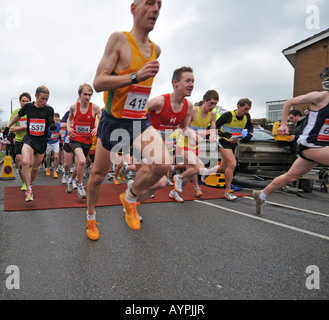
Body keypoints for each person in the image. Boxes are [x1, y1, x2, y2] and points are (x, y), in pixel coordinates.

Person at [86, 0, 168, 240]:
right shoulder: (119, 40)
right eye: (150, 3)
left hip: (138, 121)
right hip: (113, 121)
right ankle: (91, 217)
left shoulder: (156, 50)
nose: (155, 9)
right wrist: (135, 76)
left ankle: (130, 197)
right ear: (133, 8)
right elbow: (98, 82)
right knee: (99, 175)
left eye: (159, 6)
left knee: (163, 165)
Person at [252, 87, 329, 213]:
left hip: (322, 148)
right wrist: (284, 124)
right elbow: (289, 102)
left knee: (290, 177)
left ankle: (261, 194)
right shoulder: (321, 97)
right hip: (310, 145)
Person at [148, 67, 206, 203]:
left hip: (167, 143)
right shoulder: (159, 102)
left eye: (193, 81)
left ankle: (176, 183)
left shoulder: (189, 106)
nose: (192, 84)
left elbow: (184, 128)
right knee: (154, 179)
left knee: (198, 168)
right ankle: (132, 197)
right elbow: (137, 115)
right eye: (187, 81)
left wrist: (193, 135)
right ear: (176, 83)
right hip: (150, 143)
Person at [7, 86, 56, 202]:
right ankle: (28, 189)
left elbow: (51, 123)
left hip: (42, 141)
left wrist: (52, 126)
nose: (44, 102)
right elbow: (18, 116)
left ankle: (30, 183)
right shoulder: (28, 107)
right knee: (25, 162)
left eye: (46, 99)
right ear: (36, 96)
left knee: (35, 168)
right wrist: (8, 127)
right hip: (29, 139)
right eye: (42, 99)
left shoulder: (49, 110)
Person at [169, 89, 218, 200]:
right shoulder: (193, 111)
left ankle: (174, 192)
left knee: (191, 172)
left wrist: (212, 136)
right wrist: (200, 133)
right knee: (199, 168)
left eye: (215, 104)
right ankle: (178, 176)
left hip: (195, 146)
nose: (213, 106)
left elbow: (212, 129)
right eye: (211, 103)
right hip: (184, 144)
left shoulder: (213, 114)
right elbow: (182, 128)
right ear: (204, 101)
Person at [203, 98, 254, 200]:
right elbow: (212, 128)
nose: (247, 112)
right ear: (238, 106)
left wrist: (249, 134)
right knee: (232, 164)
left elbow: (250, 126)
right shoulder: (228, 115)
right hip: (223, 141)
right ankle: (228, 191)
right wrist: (222, 133)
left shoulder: (246, 116)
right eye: (245, 109)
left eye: (248, 109)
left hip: (233, 143)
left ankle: (206, 172)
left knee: (222, 167)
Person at [66, 84, 101, 199]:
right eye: (85, 94)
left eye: (90, 95)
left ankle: (70, 180)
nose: (87, 97)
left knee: (79, 165)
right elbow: (69, 119)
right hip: (75, 138)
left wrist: (97, 128)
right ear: (80, 94)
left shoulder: (95, 108)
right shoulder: (73, 107)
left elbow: (101, 120)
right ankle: (80, 186)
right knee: (81, 161)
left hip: (87, 140)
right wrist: (69, 128)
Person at [8, 92, 31, 190]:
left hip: (31, 141)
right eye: (23, 101)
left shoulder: (33, 112)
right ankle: (24, 182)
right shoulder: (16, 113)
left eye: (27, 101)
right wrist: (22, 128)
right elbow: (11, 128)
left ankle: (29, 179)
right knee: (20, 163)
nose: (25, 103)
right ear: (19, 102)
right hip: (19, 140)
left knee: (29, 164)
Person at [45, 113, 61, 179]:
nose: (56, 121)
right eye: (55, 120)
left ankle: (55, 171)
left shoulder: (59, 124)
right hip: (48, 142)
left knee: (56, 157)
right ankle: (48, 168)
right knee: (48, 157)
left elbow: (63, 127)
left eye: (57, 120)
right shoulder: (48, 125)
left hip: (55, 142)